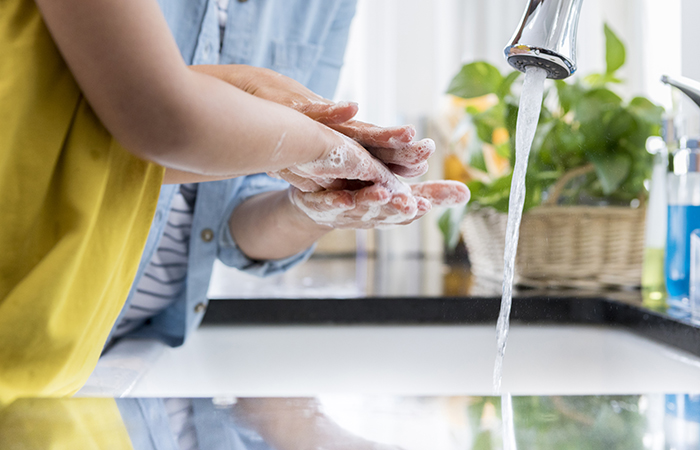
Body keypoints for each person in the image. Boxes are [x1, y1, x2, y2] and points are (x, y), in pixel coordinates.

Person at [0, 0, 469, 403]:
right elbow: (159, 121)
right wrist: (312, 142)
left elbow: (111, 145)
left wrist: (317, 196)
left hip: (64, 336)